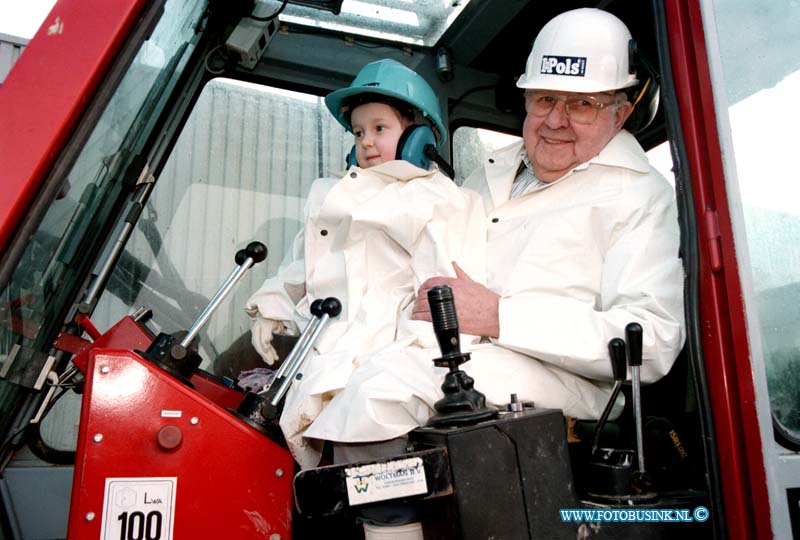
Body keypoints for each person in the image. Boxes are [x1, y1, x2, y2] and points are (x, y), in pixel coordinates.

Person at [412, 8, 685, 419]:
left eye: (583, 105)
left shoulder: (642, 196)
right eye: (544, 99)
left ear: (621, 114)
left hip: (562, 389)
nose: (556, 121)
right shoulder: (486, 175)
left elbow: (652, 342)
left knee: (392, 388)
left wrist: (498, 315)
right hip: (454, 356)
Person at [245, 59, 486, 469]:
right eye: (358, 132)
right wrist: (270, 307)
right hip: (325, 352)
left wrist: (403, 362)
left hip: (382, 358)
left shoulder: (435, 201)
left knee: (371, 467)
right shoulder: (332, 194)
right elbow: (301, 265)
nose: (367, 142)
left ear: (419, 136)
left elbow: (439, 295)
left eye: (380, 129)